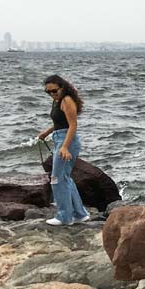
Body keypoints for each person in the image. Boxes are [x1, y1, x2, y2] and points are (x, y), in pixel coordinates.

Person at [36, 75, 89, 226]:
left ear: (62, 87)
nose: (52, 94)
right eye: (48, 92)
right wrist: (47, 132)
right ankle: (80, 214)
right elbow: (60, 122)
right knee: (65, 177)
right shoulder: (57, 100)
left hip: (68, 140)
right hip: (59, 137)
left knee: (57, 179)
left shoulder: (67, 100)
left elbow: (72, 125)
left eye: (54, 90)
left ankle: (64, 217)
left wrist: (65, 147)